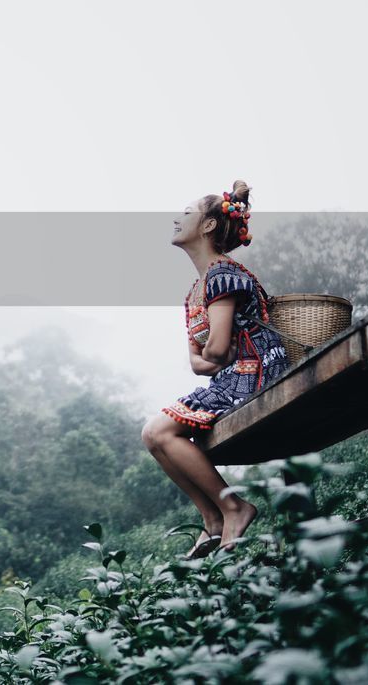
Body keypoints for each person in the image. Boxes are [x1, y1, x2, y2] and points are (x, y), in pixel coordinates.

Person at [141, 180, 290, 558]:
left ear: (208, 225)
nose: (177, 219)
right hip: (231, 375)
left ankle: (234, 508)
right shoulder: (198, 288)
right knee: (154, 436)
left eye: (187, 213)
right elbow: (200, 363)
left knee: (159, 430)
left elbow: (217, 350)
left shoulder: (224, 276)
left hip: (257, 372)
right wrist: (211, 356)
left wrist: (212, 355)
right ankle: (212, 517)